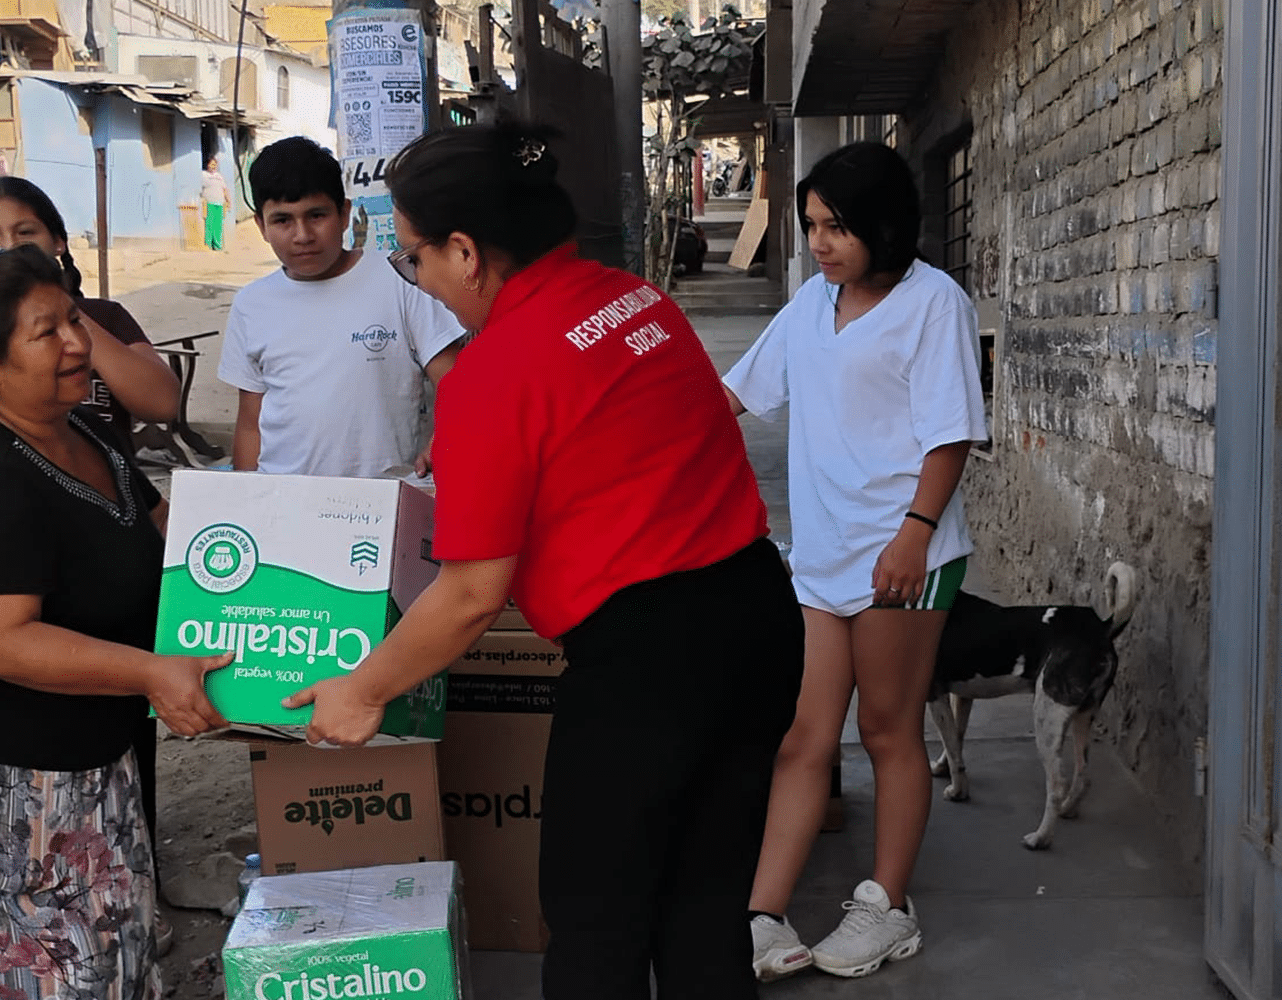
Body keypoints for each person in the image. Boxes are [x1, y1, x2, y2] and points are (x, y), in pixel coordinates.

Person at [282, 122, 806, 1000]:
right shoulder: (636, 301)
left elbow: (471, 594)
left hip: (648, 664)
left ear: (466, 251)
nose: (419, 281)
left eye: (414, 259)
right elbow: (614, 448)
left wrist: (363, 689)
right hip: (756, 618)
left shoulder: (493, 373)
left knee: (595, 920)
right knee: (705, 905)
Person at [0, 244, 231, 1000]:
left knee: (111, 959)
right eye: (47, 332)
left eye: (74, 317)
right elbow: (0, 642)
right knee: (25, 978)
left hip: (85, 763)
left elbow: (174, 543)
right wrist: (152, 671)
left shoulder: (78, 432)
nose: (77, 342)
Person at [721, 141, 987, 981]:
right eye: (811, 227)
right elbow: (732, 393)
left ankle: (887, 905)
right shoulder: (810, 303)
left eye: (837, 226)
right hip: (824, 557)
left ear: (883, 223)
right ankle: (762, 915)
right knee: (805, 736)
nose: (821, 243)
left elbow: (950, 434)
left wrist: (913, 533)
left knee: (885, 729)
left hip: (904, 555)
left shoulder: (932, 302)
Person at [0, 176, 181, 465]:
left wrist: (63, 315)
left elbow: (162, 404)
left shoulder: (106, 318)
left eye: (26, 233)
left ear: (58, 243)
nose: (9, 248)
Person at [217, 135, 464, 477]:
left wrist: (443, 439)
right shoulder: (251, 304)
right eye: (282, 220)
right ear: (260, 225)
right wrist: (248, 498)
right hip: (285, 502)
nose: (302, 235)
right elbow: (250, 423)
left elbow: (457, 380)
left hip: (380, 502)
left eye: (316, 215)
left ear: (345, 213)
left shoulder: (399, 280)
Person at [201, 156, 231, 251]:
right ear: (207, 165)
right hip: (209, 203)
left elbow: (225, 189)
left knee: (218, 225)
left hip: (220, 203)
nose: (213, 166)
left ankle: (217, 245)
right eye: (211, 164)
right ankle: (208, 244)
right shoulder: (203, 175)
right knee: (209, 224)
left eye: (215, 164)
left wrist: (228, 201)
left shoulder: (219, 176)